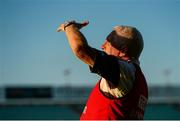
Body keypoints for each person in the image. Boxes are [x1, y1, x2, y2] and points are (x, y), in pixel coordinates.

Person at [57, 20, 148, 120]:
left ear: (123, 50)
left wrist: (70, 27)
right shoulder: (138, 80)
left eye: (108, 42)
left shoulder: (124, 70)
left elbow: (80, 49)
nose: (102, 46)